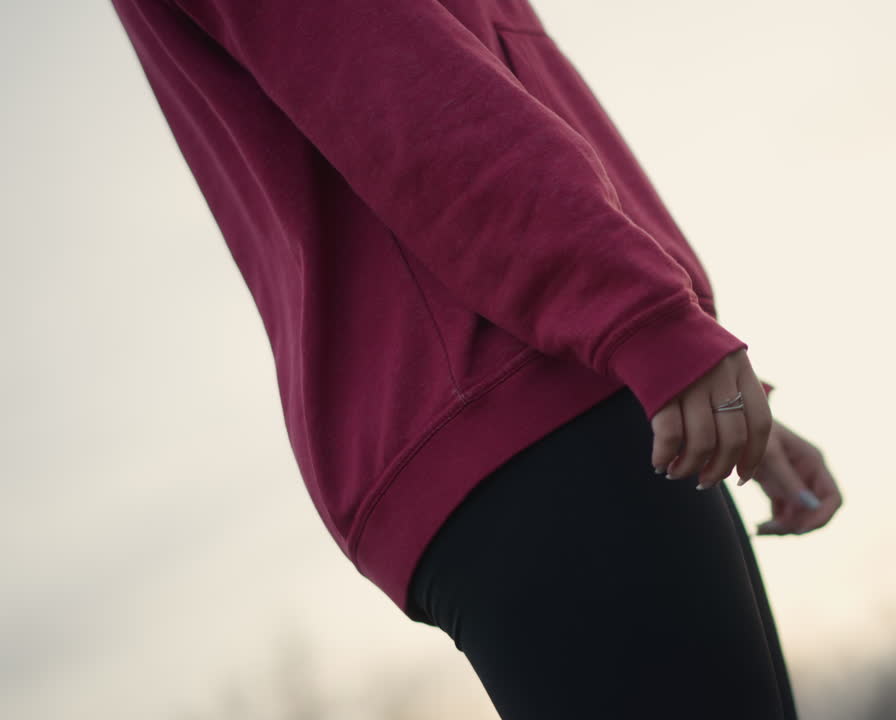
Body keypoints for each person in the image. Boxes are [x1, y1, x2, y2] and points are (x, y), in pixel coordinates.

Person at [109, 0, 842, 717]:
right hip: (526, 406)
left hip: (570, 389)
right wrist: (647, 323)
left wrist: (695, 373)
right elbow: (400, 91)